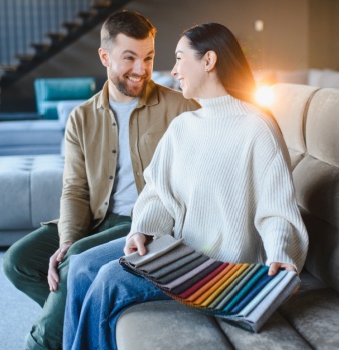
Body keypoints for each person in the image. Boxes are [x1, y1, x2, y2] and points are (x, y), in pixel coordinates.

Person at [62, 23, 309, 350]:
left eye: (180, 59)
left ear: (208, 61)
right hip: (179, 248)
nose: (174, 70)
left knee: (110, 281)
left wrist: (280, 254)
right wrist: (142, 231)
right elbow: (159, 192)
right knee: (80, 265)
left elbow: (277, 209)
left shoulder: (256, 128)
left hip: (222, 268)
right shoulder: (184, 126)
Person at [1, 11, 200, 350]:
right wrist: (66, 239)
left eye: (148, 57)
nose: (141, 68)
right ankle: (84, 322)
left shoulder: (180, 108)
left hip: (143, 221)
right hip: (96, 217)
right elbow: (75, 189)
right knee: (18, 262)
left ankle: (42, 342)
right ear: (105, 57)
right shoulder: (81, 117)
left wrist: (73, 248)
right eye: (130, 58)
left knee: (75, 259)